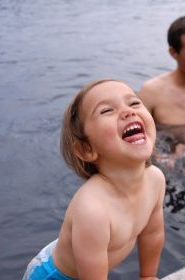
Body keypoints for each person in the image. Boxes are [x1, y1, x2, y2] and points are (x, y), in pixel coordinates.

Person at [23, 80, 166, 280]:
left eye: (134, 103)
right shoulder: (93, 210)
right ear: (86, 149)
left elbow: (152, 234)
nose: (128, 111)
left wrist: (147, 276)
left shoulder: (156, 180)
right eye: (107, 110)